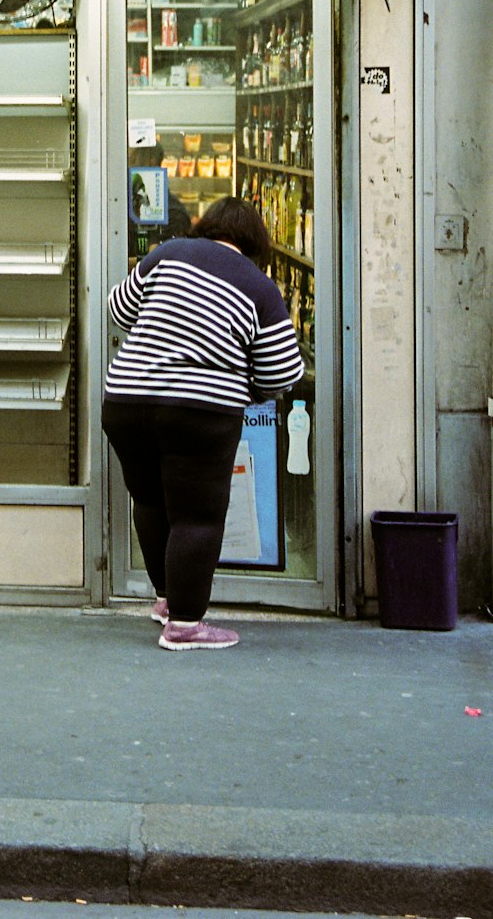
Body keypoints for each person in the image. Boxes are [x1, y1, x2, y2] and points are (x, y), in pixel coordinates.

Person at [103, 195, 304, 651]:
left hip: (126, 401)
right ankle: (187, 624)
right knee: (197, 516)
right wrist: (240, 384)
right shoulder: (258, 287)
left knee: (151, 503)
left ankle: (167, 600)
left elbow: (119, 309)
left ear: (206, 226)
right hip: (199, 412)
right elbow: (283, 372)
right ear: (255, 243)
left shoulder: (166, 254)